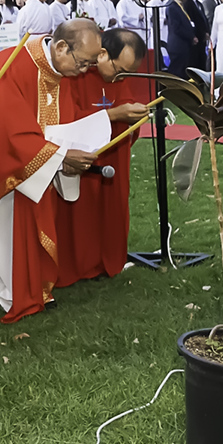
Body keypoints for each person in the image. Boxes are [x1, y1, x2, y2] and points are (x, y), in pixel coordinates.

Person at [0, 17, 104, 323]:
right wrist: (60, 157)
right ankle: (10, 291)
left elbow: (63, 121)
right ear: (61, 47)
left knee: (29, 226)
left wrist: (69, 151)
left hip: (37, 167)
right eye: (83, 62)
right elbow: (9, 132)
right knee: (3, 233)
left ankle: (30, 289)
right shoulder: (12, 65)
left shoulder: (59, 71)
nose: (84, 71)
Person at [54, 27, 148, 286]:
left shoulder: (118, 78)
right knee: (79, 212)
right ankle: (76, 265)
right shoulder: (76, 74)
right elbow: (68, 118)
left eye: (127, 74)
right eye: (119, 70)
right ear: (103, 54)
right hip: (82, 153)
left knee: (112, 208)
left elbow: (126, 105)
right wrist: (114, 114)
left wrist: (135, 118)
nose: (121, 78)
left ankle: (109, 259)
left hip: (114, 155)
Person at [165, 0, 209, 79]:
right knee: (177, 70)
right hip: (178, 44)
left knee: (184, 70)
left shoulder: (180, 6)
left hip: (184, 44)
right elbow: (176, 27)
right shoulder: (172, 7)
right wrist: (191, 37)